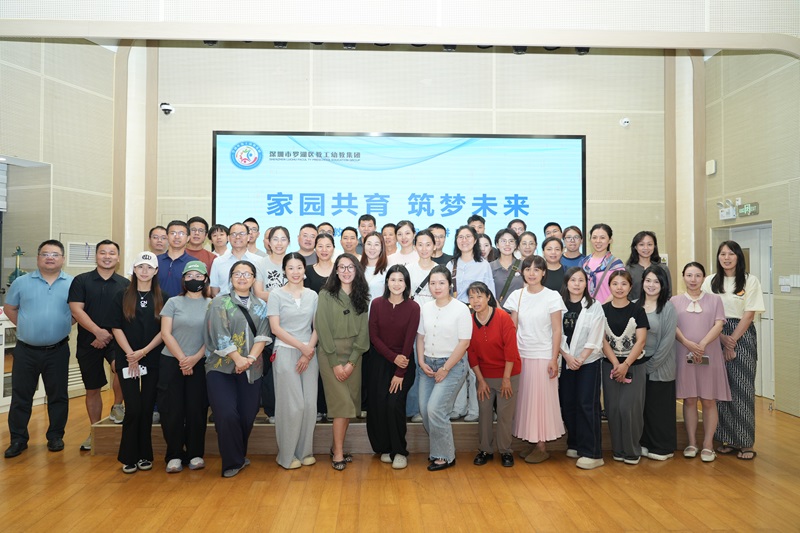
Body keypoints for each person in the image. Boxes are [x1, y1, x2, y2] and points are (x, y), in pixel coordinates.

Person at [3, 240, 74, 459]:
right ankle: (18, 439)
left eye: (55, 254)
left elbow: (78, 313)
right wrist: (26, 326)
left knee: (58, 396)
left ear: (63, 258)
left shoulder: (73, 283)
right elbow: (10, 308)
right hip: (26, 351)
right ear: (38, 258)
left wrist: (61, 325)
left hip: (58, 350)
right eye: (45, 254)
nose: (50, 258)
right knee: (21, 396)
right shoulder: (21, 282)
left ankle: (55, 436)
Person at [204, 260, 271, 477]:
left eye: (247, 274)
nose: (242, 278)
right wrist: (237, 358)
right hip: (220, 368)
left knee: (247, 415)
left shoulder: (261, 305)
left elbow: (263, 335)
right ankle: (232, 461)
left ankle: (238, 456)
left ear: (254, 279)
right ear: (231, 278)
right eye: (237, 274)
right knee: (226, 414)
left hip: (252, 368)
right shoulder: (219, 303)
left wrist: (249, 359)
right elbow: (219, 335)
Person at [702, 241, 765, 461]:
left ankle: (745, 442)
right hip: (714, 333)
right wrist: (721, 337)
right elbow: (705, 311)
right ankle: (725, 439)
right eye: (722, 254)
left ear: (738, 256)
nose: (726, 258)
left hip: (742, 334)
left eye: (731, 254)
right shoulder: (710, 281)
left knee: (742, 388)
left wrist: (732, 341)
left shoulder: (750, 280)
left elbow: (749, 314)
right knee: (719, 388)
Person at [68, 239, 128, 452]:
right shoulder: (81, 280)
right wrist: (97, 332)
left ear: (118, 258)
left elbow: (127, 314)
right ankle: (94, 431)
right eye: (103, 252)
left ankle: (117, 405)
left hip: (116, 339)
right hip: (88, 341)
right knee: (92, 388)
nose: (107, 256)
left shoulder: (125, 284)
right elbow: (76, 310)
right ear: (96, 256)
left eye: (112, 253)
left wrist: (108, 334)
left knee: (121, 369)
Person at [505, 255, 566, 463]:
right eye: (528, 269)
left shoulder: (552, 296)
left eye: (536, 269)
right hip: (522, 355)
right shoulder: (517, 295)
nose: (532, 273)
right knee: (526, 401)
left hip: (543, 355)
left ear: (543, 273)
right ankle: (532, 440)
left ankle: (542, 446)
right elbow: (512, 328)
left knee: (541, 402)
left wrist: (554, 358)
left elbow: (557, 330)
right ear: (522, 272)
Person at [111, 252, 166, 473]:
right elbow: (116, 327)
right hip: (127, 359)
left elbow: (165, 331)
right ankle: (128, 456)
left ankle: (145, 455)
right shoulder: (121, 295)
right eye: (140, 266)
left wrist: (143, 352)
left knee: (146, 407)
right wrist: (131, 354)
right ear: (133, 269)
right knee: (133, 408)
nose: (144, 271)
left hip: (152, 358)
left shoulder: (164, 297)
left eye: (149, 267)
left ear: (156, 271)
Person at [315, 253, 370, 470]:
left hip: (354, 356)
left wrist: (352, 362)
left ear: (357, 270)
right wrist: (335, 363)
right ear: (336, 271)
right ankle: (338, 453)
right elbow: (322, 328)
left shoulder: (362, 296)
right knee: (342, 406)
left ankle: (334, 446)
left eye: (351, 267)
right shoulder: (325, 295)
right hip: (331, 355)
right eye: (342, 267)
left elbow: (363, 333)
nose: (346, 271)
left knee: (350, 405)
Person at [416, 265, 471, 471]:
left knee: (435, 409)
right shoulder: (425, 308)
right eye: (433, 283)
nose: (437, 287)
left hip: (452, 366)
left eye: (441, 283)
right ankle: (441, 448)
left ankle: (444, 455)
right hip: (427, 365)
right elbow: (420, 337)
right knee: (425, 410)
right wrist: (421, 361)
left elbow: (464, 343)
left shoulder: (461, 309)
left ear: (450, 285)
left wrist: (445, 369)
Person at [267, 253, 319, 470]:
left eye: (299, 267)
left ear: (304, 270)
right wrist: (302, 347)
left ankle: (305, 452)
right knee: (292, 406)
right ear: (284, 271)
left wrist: (308, 351)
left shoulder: (313, 295)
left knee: (309, 405)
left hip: (309, 354)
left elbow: (317, 326)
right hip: (286, 351)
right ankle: (287, 455)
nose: (295, 272)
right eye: (291, 268)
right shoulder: (276, 295)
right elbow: (275, 328)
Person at [158, 260, 210, 473]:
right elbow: (165, 333)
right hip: (172, 361)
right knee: (172, 410)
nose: (193, 279)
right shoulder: (173, 302)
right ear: (183, 279)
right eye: (189, 276)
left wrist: (195, 358)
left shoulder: (212, 304)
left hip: (200, 362)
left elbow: (213, 336)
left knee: (197, 409)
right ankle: (174, 455)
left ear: (205, 279)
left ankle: (196, 453)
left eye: (198, 276)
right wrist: (182, 359)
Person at [674, 262, 729, 463]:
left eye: (697, 275)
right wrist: (688, 343)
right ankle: (691, 443)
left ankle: (708, 445)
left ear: (703, 278)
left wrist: (702, 344)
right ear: (683, 277)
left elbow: (719, 324)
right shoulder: (674, 301)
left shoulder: (715, 300)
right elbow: (673, 326)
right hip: (684, 352)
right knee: (689, 399)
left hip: (709, 353)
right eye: (689, 275)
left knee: (708, 399)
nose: (693, 279)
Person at [367, 265, 420, 470]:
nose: (396, 284)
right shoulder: (377, 304)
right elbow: (374, 337)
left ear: (406, 284)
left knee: (394, 404)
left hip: (404, 364)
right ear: (387, 282)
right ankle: (386, 447)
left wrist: (400, 370)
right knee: (380, 405)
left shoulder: (413, 307)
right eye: (393, 279)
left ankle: (399, 451)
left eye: (401, 280)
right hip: (380, 362)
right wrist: (392, 357)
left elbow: (409, 340)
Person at [467, 282, 521, 468]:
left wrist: (506, 379)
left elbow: (511, 350)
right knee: (484, 412)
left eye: (479, 296)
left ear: (488, 297)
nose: (476, 301)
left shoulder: (503, 317)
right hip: (484, 375)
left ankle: (505, 451)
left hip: (509, 373)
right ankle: (485, 450)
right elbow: (471, 353)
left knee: (505, 415)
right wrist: (480, 380)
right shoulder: (469, 321)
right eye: (472, 297)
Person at [558, 267, 606, 469]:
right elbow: (555, 332)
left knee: (587, 404)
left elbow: (596, 335)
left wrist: (580, 358)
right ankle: (575, 444)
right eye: (573, 280)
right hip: (565, 360)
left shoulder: (595, 306)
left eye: (581, 280)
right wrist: (568, 357)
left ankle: (592, 453)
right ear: (566, 283)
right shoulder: (558, 304)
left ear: (587, 284)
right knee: (568, 403)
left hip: (589, 362)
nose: (577, 284)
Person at [601, 270, 649, 464]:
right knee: (613, 409)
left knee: (629, 408)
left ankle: (632, 450)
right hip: (610, 365)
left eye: (623, 284)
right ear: (609, 286)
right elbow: (602, 340)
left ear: (630, 287)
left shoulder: (638, 310)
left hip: (634, 365)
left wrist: (626, 364)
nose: (619, 288)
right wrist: (616, 364)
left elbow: (641, 341)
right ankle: (618, 449)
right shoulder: (602, 310)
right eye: (615, 284)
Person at [447, 225, 493, 422]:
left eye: (468, 237)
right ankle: (458, 407)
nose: (464, 240)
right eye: (460, 237)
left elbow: (490, 294)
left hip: (477, 316)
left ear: (475, 240)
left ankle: (475, 409)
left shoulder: (483, 264)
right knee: (458, 362)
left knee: (476, 364)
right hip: (455, 317)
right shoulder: (451, 264)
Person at [637, 265, 678, 461]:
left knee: (659, 407)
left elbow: (667, 342)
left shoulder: (668, 308)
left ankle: (663, 447)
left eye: (656, 281)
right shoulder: (635, 305)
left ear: (663, 285)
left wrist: (649, 366)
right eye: (648, 280)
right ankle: (645, 443)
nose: (651, 285)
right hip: (638, 363)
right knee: (643, 407)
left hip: (661, 364)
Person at [404, 230, 438, 422]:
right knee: (415, 366)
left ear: (434, 246)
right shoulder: (408, 269)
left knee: (432, 365)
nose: (424, 249)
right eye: (420, 244)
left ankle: (429, 408)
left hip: (436, 323)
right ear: (415, 246)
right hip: (414, 323)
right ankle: (413, 409)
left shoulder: (441, 269)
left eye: (428, 244)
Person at [209, 222, 263, 297]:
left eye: (242, 234)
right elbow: (214, 292)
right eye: (233, 234)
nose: (237, 237)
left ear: (248, 237)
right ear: (228, 238)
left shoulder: (259, 261)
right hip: (224, 303)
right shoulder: (218, 261)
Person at [581, 223, 625, 303]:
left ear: (610, 240)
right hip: (587, 307)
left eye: (602, 238)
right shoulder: (584, 262)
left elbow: (620, 288)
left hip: (608, 307)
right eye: (594, 237)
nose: (598, 241)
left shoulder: (616, 264)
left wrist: (602, 306)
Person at [625, 230, 672, 301]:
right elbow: (626, 294)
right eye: (641, 244)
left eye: (649, 244)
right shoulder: (628, 270)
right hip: (634, 307)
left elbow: (668, 293)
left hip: (659, 307)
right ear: (635, 247)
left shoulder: (663, 268)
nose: (646, 248)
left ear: (654, 246)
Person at [157, 220, 194, 298]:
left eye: (181, 233)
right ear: (167, 236)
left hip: (184, 305)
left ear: (188, 238)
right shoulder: (155, 261)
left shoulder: (194, 263)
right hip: (158, 305)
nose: (177, 237)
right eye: (173, 233)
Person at [490, 228, 523, 310]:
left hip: (520, 313)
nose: (507, 244)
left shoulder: (523, 266)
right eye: (503, 241)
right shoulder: (489, 267)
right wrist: (501, 313)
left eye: (511, 241)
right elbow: (487, 293)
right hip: (497, 313)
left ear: (515, 245)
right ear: (497, 245)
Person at [255, 226, 290, 301]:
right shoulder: (260, 263)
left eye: (283, 239)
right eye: (275, 239)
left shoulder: (295, 263)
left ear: (288, 243)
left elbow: (299, 292)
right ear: (269, 243)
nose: (279, 243)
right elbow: (258, 294)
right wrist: (285, 296)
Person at [360, 231, 388, 302]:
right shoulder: (357, 269)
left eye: (376, 244)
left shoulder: (387, 270)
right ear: (364, 246)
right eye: (369, 244)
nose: (372, 248)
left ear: (382, 247)